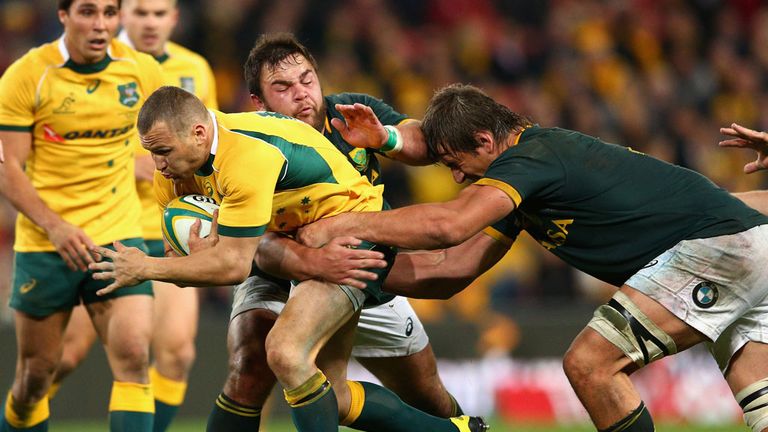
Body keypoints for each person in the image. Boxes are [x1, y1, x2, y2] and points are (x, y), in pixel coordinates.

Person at [297, 83, 768, 432]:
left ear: (484, 141)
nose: (459, 179)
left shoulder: (530, 159)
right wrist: (350, 267)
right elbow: (451, 269)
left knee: (591, 364)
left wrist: (344, 225)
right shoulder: (529, 183)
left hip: (717, 252)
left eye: (455, 163)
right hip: (746, 251)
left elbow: (449, 226)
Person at [88, 85, 489, 432]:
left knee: (284, 351)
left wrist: (146, 266)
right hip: (286, 235)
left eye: (162, 152)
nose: (156, 165)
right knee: (329, 394)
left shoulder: (246, 157)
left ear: (198, 133)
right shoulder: (174, 171)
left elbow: (232, 266)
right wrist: (187, 258)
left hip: (351, 231)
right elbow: (184, 258)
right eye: (152, 153)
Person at [205, 32, 461, 431]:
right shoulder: (243, 144)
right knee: (249, 369)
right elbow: (250, 240)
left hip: (359, 269)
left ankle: (460, 427)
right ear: (259, 101)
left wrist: (385, 137)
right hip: (277, 273)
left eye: (307, 79)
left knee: (427, 395)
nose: (302, 94)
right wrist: (309, 259)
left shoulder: (349, 112)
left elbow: (426, 143)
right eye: (283, 87)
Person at [50, 1, 219, 430]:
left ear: (174, 19)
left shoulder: (195, 68)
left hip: (170, 231)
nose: (150, 22)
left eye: (159, 14)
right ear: (122, 16)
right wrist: (127, 163)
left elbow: (212, 150)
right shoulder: (98, 65)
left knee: (177, 354)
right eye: (141, 12)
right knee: (63, 356)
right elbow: (64, 147)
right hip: (105, 224)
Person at [0, 0, 163, 430]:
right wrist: (54, 227)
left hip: (119, 232)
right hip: (46, 242)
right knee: (36, 376)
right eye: (87, 12)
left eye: (109, 13)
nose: (100, 24)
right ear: (63, 16)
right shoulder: (28, 75)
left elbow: (179, 142)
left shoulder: (140, 70)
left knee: (132, 355)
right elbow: (8, 168)